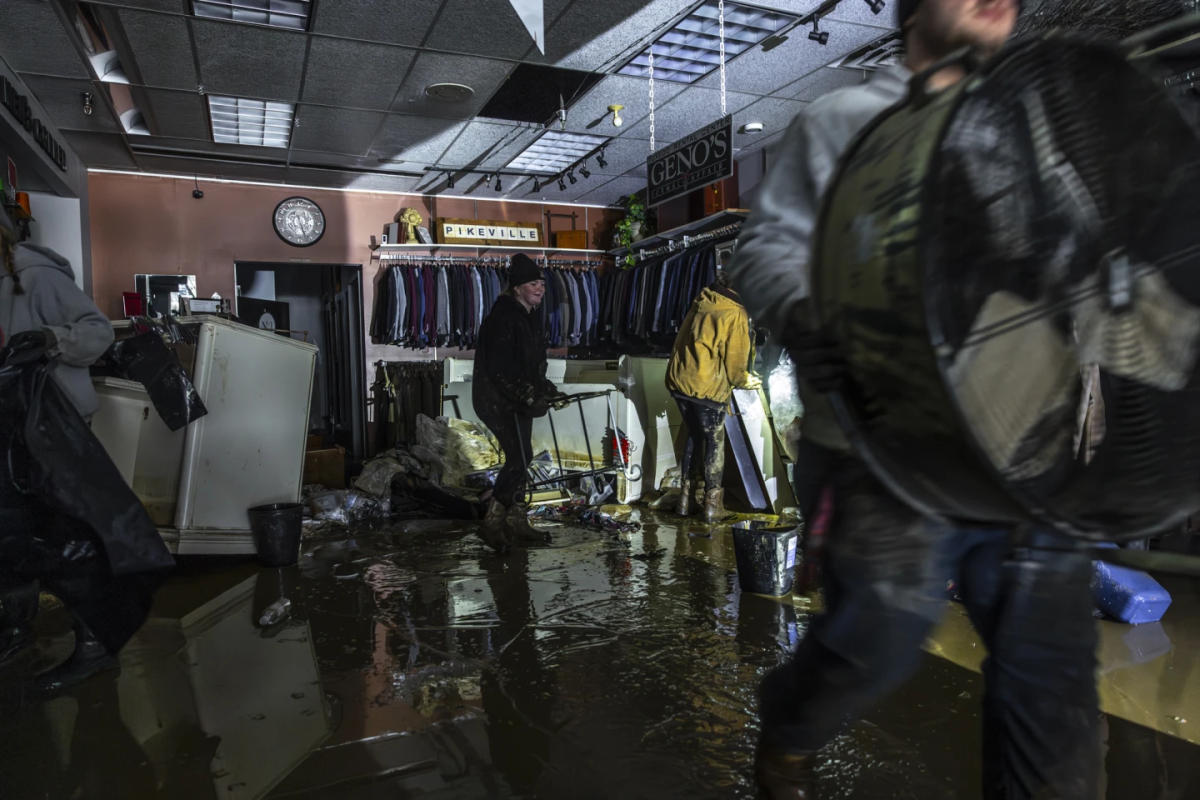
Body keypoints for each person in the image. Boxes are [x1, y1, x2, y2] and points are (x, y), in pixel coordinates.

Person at [730, 2, 1102, 799]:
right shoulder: (845, 119)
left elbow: (1086, 254)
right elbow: (764, 248)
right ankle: (790, 720)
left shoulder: (1026, 130)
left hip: (1022, 455)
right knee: (880, 641)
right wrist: (801, 312)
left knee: (1053, 690)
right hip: (886, 453)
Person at [0, 204, 162, 692]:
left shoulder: (35, 279)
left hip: (55, 426)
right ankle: (14, 629)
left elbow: (94, 331)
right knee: (14, 534)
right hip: (10, 428)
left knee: (72, 534)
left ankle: (95, 642)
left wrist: (51, 338)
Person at [472, 254, 566, 553]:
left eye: (541, 283)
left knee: (522, 458)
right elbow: (500, 369)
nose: (540, 288)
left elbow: (531, 367)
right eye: (532, 283)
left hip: (517, 400)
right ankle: (492, 522)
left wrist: (548, 390)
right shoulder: (502, 318)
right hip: (495, 399)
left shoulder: (528, 317)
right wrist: (527, 395)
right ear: (516, 288)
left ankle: (516, 521)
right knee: (519, 456)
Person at [664, 269, 761, 521]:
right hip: (706, 386)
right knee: (714, 442)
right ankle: (712, 507)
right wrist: (747, 380)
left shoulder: (704, 300)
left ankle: (685, 501)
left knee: (695, 436)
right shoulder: (736, 312)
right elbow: (736, 365)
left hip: (680, 380)